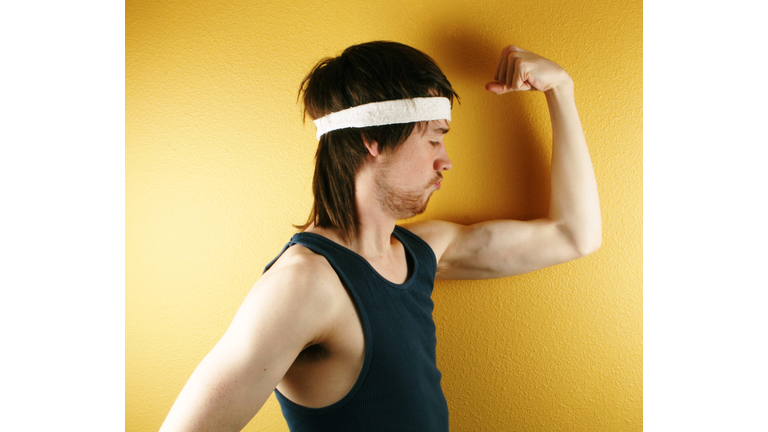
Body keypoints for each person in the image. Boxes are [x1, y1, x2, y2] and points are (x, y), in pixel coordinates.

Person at [159, 41, 601, 432]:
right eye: (434, 141)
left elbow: (574, 235)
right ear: (373, 139)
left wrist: (560, 89)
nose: (445, 161)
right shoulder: (303, 284)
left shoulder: (422, 251)